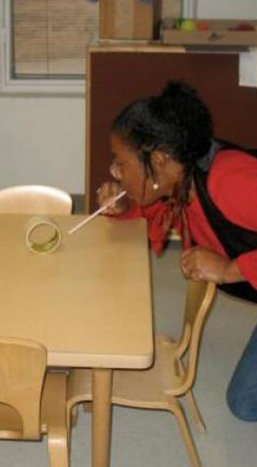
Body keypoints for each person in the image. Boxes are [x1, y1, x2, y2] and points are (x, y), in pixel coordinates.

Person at [96, 80, 257, 422]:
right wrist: (123, 205)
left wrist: (230, 270)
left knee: (245, 404)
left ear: (158, 160)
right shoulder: (181, 180)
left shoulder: (231, 180)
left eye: (121, 164)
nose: (115, 172)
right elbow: (153, 213)